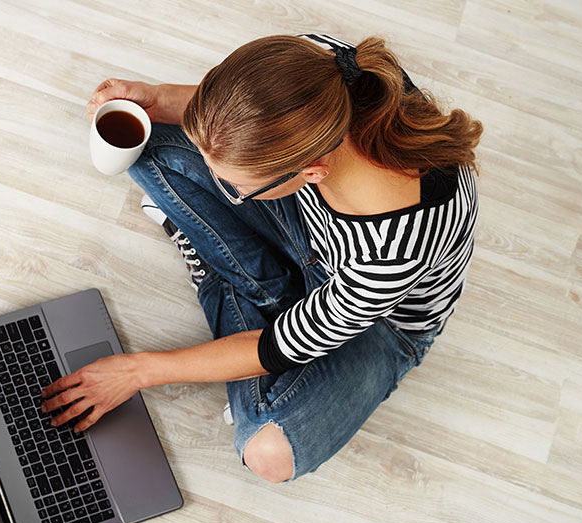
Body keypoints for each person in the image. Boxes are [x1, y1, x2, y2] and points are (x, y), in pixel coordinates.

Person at [41, 34, 482, 483]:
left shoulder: (393, 253)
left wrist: (137, 371)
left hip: (380, 324)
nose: (222, 187)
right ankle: (242, 274)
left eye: (234, 187)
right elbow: (247, 117)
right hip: (315, 234)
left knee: (268, 450)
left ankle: (224, 276)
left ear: (311, 172)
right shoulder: (327, 67)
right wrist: (156, 99)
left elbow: (277, 348)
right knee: (140, 134)